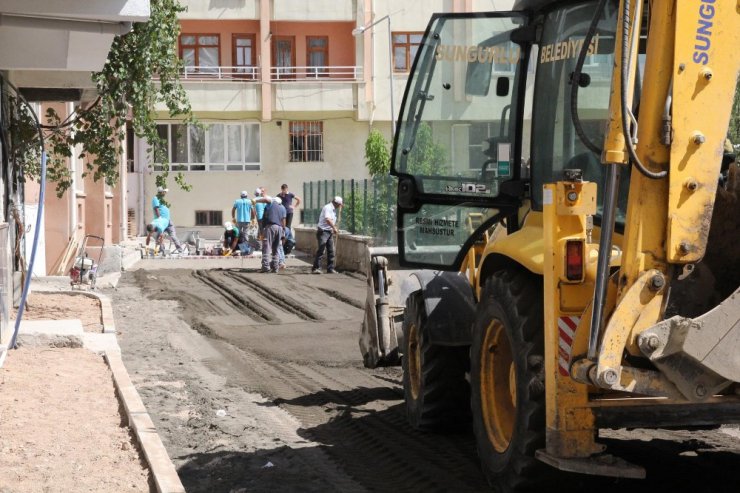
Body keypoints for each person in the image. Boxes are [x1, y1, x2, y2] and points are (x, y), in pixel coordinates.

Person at [312, 196, 343, 274]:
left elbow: (332, 220)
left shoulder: (333, 209)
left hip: (329, 232)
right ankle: (316, 268)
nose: (340, 206)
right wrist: (334, 227)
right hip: (323, 231)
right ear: (336, 203)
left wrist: (332, 229)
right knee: (321, 250)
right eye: (339, 205)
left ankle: (330, 268)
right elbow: (328, 219)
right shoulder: (328, 208)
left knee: (331, 250)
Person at [151, 186, 183, 253]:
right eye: (164, 192)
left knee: (173, 236)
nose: (165, 193)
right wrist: (160, 219)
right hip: (161, 222)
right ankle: (161, 250)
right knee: (160, 237)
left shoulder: (162, 200)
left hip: (168, 221)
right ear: (161, 192)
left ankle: (180, 250)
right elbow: (156, 209)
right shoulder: (155, 198)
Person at [261, 197, 286, 273]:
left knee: (267, 247)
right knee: (276, 248)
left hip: (270, 227)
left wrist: (262, 229)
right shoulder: (282, 208)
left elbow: (264, 218)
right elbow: (283, 220)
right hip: (279, 228)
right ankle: (275, 267)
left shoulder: (270, 205)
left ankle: (266, 267)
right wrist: (283, 232)